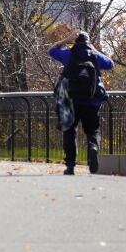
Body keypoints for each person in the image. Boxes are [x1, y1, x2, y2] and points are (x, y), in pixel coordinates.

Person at [49, 31, 114, 175]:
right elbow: (110, 64)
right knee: (93, 130)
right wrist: (94, 49)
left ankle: (70, 166)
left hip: (71, 101)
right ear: (88, 42)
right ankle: (93, 149)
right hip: (92, 101)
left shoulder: (69, 55)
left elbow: (52, 51)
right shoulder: (95, 56)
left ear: (75, 42)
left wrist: (66, 39)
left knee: (70, 132)